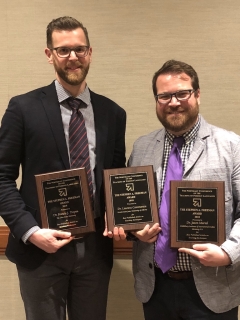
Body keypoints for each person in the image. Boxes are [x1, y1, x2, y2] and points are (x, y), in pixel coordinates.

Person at [0, 16, 126, 320]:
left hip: (95, 251)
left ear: (90, 52)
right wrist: (29, 231)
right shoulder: (23, 108)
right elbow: (2, 177)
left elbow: (115, 175)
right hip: (40, 249)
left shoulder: (112, 113)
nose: (73, 58)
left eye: (80, 49)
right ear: (49, 54)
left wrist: (118, 213)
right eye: (63, 50)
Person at [107, 60, 240, 319]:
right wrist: (135, 232)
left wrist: (228, 252)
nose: (174, 102)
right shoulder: (143, 147)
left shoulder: (232, 146)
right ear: (156, 100)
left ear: (198, 94)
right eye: (164, 95)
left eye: (182, 93)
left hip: (213, 287)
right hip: (155, 287)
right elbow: (133, 208)